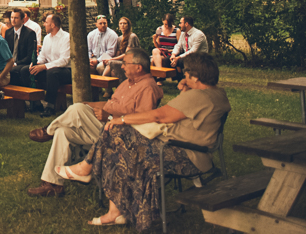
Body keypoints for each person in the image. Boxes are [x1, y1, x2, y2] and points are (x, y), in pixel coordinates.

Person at [57, 53, 230, 229]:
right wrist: (187, 90)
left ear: (195, 76)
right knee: (117, 138)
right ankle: (111, 204)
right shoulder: (216, 93)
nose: (183, 77)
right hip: (189, 150)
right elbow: (186, 115)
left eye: (186, 74)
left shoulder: (199, 97)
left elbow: (159, 115)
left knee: (117, 138)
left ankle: (92, 176)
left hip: (184, 155)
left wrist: (122, 119)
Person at [26, 48, 161, 198]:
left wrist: (109, 117)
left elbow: (144, 119)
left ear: (138, 67)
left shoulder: (148, 88)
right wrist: (90, 105)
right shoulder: (127, 84)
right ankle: (52, 184)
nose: (122, 66)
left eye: (124, 63)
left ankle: (48, 131)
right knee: (63, 130)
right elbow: (110, 104)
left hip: (123, 136)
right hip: (105, 129)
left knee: (76, 109)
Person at [29, 13, 70, 117]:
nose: (44, 25)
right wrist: (36, 64)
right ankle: (36, 103)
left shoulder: (66, 37)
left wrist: (44, 67)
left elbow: (64, 60)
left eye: (46, 22)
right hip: (50, 70)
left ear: (53, 25)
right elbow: (43, 56)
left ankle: (50, 106)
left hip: (65, 70)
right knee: (28, 70)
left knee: (52, 73)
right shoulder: (47, 38)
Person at [4, 9, 38, 87]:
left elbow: (30, 56)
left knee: (12, 70)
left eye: (16, 18)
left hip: (23, 63)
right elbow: (6, 51)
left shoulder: (30, 33)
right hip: (10, 62)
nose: (13, 20)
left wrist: (15, 63)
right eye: (12, 17)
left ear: (22, 20)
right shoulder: (8, 32)